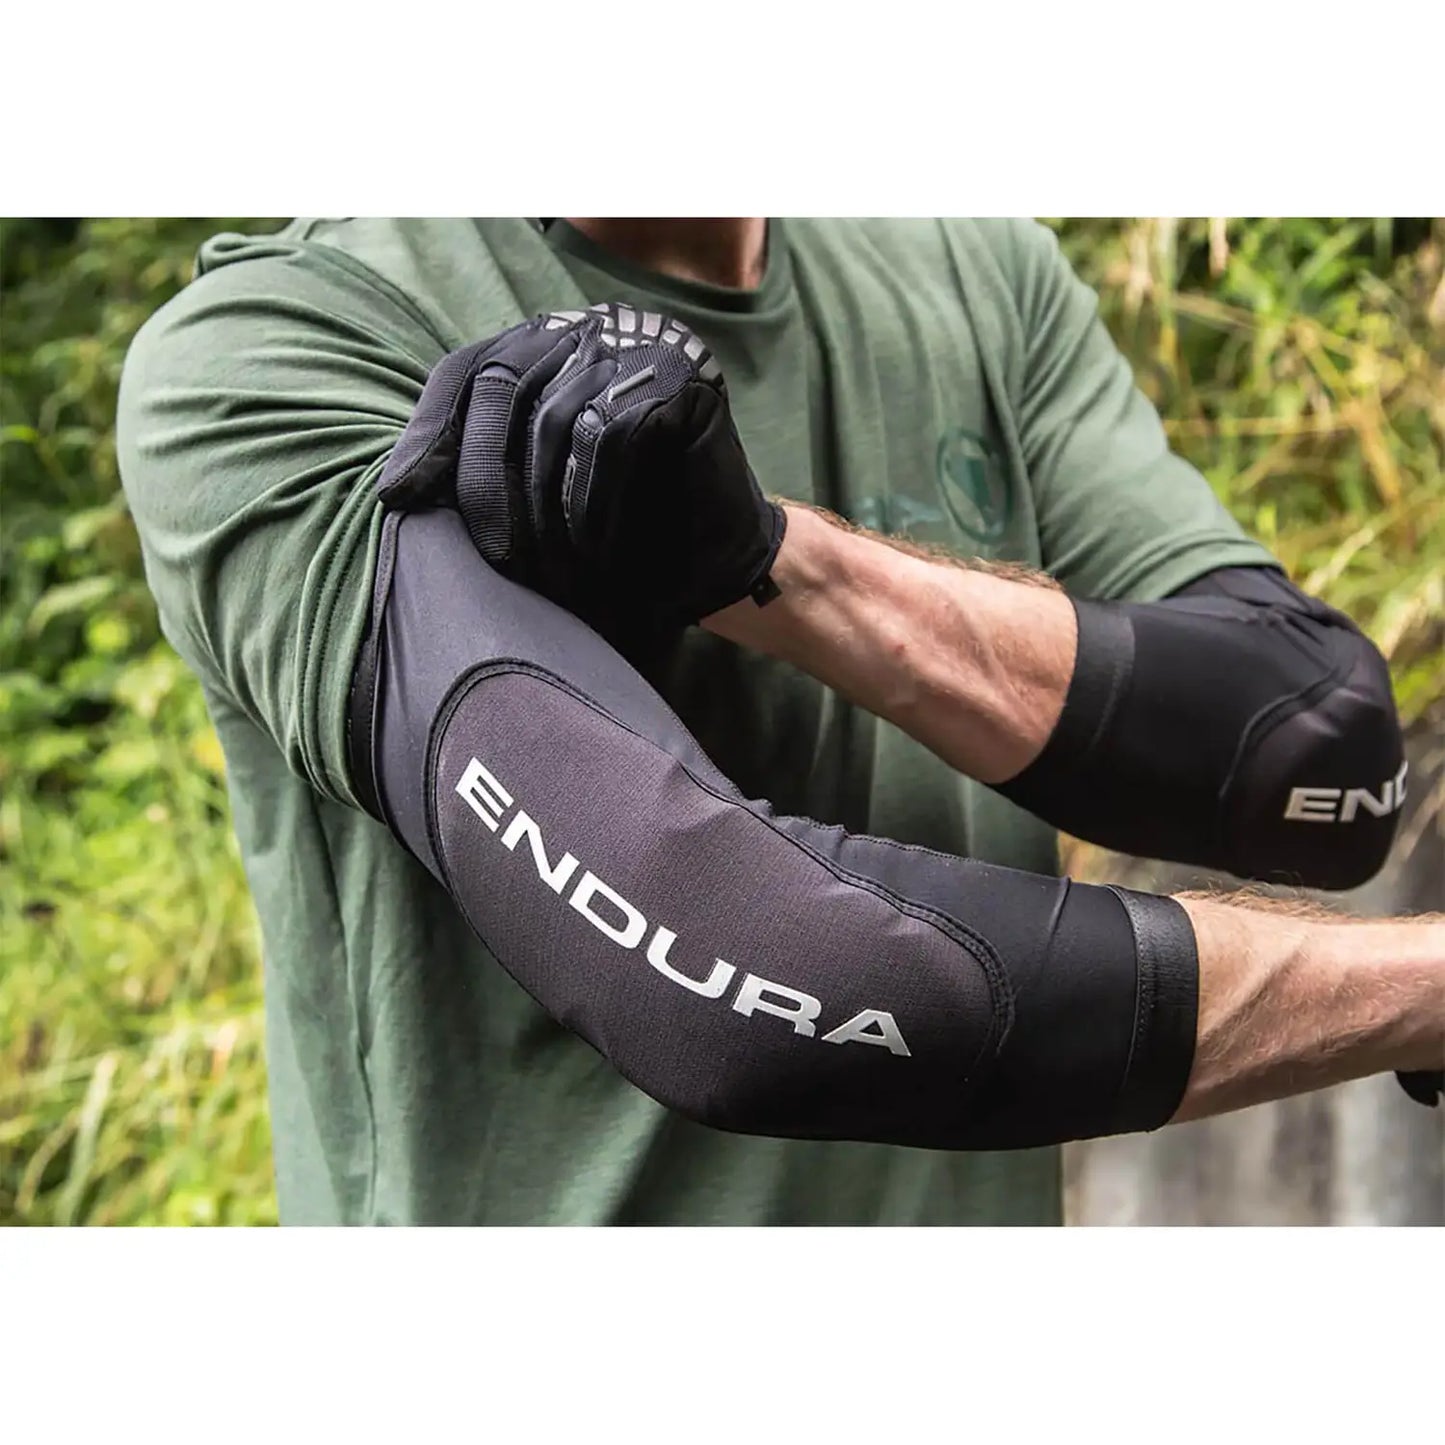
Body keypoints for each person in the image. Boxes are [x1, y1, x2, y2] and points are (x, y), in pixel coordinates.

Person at [117, 218, 1443, 1226]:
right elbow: (756, 974)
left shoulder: (969, 267)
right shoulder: (288, 342)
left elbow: (1314, 756)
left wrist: (772, 563)